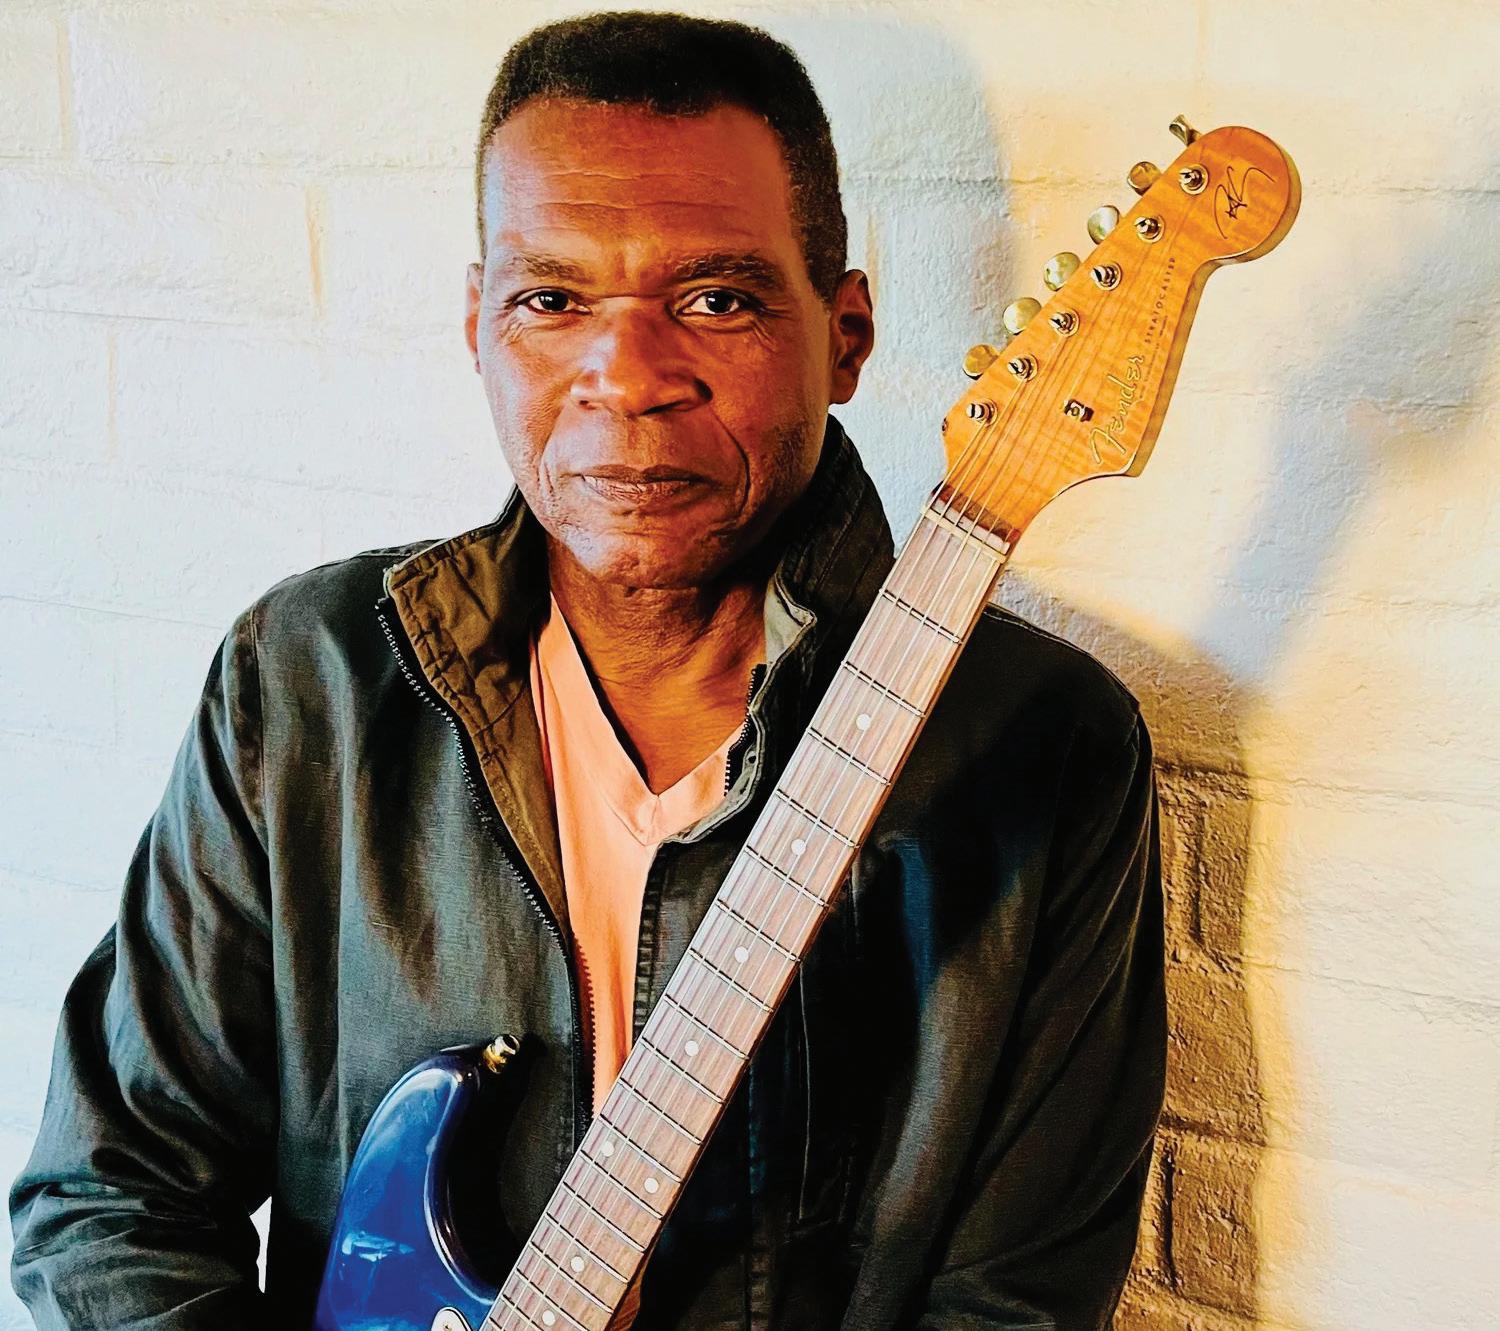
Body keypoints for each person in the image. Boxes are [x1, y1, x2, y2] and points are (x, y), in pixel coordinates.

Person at [10, 12, 1165, 1329]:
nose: (626, 379)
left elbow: (1017, 1304)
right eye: (553, 302)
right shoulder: (308, 682)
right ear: (479, 325)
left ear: (845, 334)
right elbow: (109, 1198)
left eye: (716, 300)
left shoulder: (1041, 747)